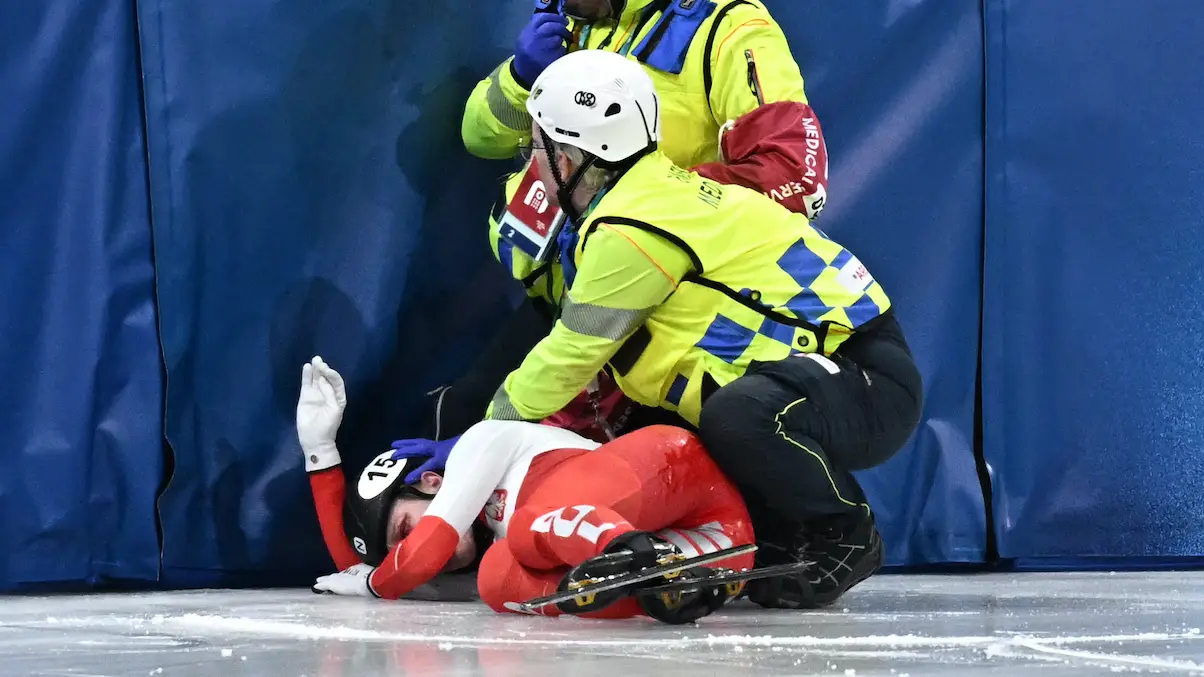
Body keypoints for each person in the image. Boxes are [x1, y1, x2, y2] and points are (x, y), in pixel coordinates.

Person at [455, 49, 923, 611]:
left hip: (867, 378)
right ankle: (766, 535)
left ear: (573, 153)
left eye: (538, 145)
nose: (532, 160)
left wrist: (477, 443)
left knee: (740, 414)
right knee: (677, 426)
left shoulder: (631, 229)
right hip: (818, 378)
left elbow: (569, 357)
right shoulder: (638, 198)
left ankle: (846, 535)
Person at [417, 0, 832, 443]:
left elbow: (795, 179)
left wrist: (644, 204)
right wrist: (522, 77)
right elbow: (480, 137)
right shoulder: (571, 23)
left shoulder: (731, 29)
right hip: (566, 295)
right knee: (460, 429)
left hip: (661, 319)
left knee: (593, 486)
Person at [295, 355, 756, 624]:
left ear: (433, 483)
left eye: (405, 528)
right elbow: (356, 570)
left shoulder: (481, 442)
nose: (410, 547)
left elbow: (408, 562)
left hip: (675, 471)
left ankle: (630, 553)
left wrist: (375, 585)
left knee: (521, 531)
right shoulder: (480, 547)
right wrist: (318, 451)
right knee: (496, 581)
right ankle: (663, 586)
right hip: (726, 549)